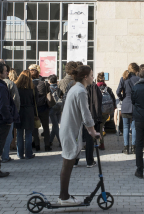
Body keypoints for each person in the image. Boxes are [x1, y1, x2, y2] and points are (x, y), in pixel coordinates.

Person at [58, 65, 99, 205]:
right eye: (92, 75)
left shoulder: (76, 88)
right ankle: (64, 197)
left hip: (68, 129)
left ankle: (64, 195)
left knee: (68, 163)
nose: (93, 77)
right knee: (68, 163)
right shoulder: (80, 90)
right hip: (70, 131)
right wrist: (92, 131)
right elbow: (86, 114)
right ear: (85, 77)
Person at [77, 78, 102, 167]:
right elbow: (97, 102)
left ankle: (75, 161)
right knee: (89, 139)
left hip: (79, 116)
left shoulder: (76, 86)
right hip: (90, 116)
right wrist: (98, 117)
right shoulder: (93, 87)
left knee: (78, 138)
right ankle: (89, 161)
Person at [116, 63, 140, 154]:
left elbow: (118, 91)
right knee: (134, 127)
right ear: (136, 71)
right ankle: (134, 148)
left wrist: (122, 98)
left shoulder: (123, 78)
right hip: (135, 105)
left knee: (125, 127)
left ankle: (126, 148)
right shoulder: (138, 79)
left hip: (126, 104)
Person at [15, 70, 38, 159]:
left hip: (19, 111)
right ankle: (28, 154)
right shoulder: (33, 88)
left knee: (19, 134)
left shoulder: (16, 87)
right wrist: (36, 114)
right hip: (29, 111)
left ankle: (20, 154)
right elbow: (36, 102)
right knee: (28, 134)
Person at [29, 64, 52, 151]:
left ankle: (37, 145)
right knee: (45, 127)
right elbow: (48, 93)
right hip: (44, 107)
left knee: (34, 128)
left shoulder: (29, 84)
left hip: (33, 108)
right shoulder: (44, 83)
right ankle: (47, 145)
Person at [1, 64, 20, 162]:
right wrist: (16, 111)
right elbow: (16, 99)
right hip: (8, 113)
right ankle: (5, 156)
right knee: (8, 135)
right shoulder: (10, 84)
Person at [96, 72, 116, 150]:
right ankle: (99, 143)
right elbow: (113, 99)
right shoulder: (108, 89)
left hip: (97, 112)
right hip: (106, 112)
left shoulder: (95, 88)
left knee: (97, 127)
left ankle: (100, 143)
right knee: (100, 126)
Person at [48, 74, 62, 148]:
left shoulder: (49, 88)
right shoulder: (59, 87)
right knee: (55, 124)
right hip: (59, 106)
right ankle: (50, 141)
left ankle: (61, 141)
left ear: (49, 81)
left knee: (55, 125)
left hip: (52, 108)